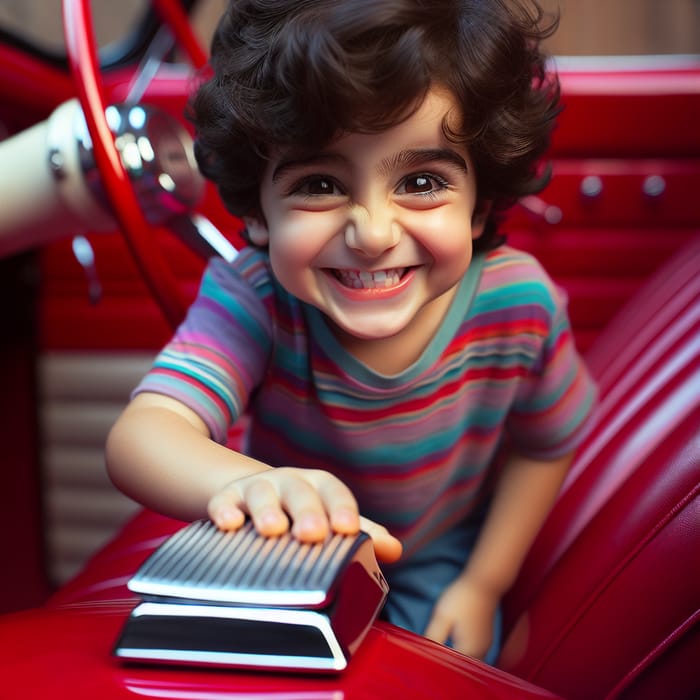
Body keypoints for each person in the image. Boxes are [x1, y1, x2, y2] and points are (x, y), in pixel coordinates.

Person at [106, 0, 597, 665]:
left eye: (421, 182)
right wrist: (250, 484)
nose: (372, 233)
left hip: (436, 554)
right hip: (287, 548)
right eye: (319, 184)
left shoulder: (518, 301)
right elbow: (143, 436)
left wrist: (484, 582)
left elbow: (546, 445)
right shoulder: (258, 298)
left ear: (479, 206)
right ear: (258, 213)